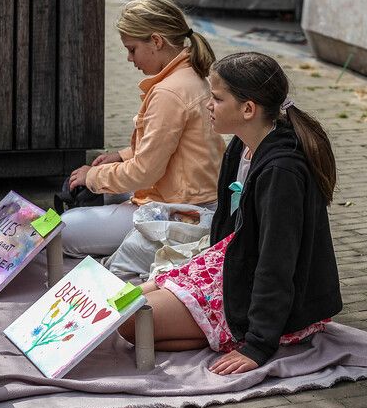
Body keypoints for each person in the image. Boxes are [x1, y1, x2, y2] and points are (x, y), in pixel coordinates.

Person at [118, 52, 343, 375]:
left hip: (260, 296)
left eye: (217, 98)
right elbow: (229, 230)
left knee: (129, 325)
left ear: (248, 109)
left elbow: (277, 261)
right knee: (122, 300)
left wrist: (258, 344)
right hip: (233, 270)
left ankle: (228, 336)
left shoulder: (281, 171)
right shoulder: (241, 146)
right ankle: (216, 333)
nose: (208, 105)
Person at [63, 0, 226, 258]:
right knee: (99, 192)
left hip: (181, 211)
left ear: (157, 41)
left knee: (64, 229)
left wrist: (91, 177)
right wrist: (121, 156)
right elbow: (168, 145)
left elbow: (145, 173)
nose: (129, 59)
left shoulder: (169, 92)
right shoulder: (190, 76)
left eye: (132, 49)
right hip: (193, 195)